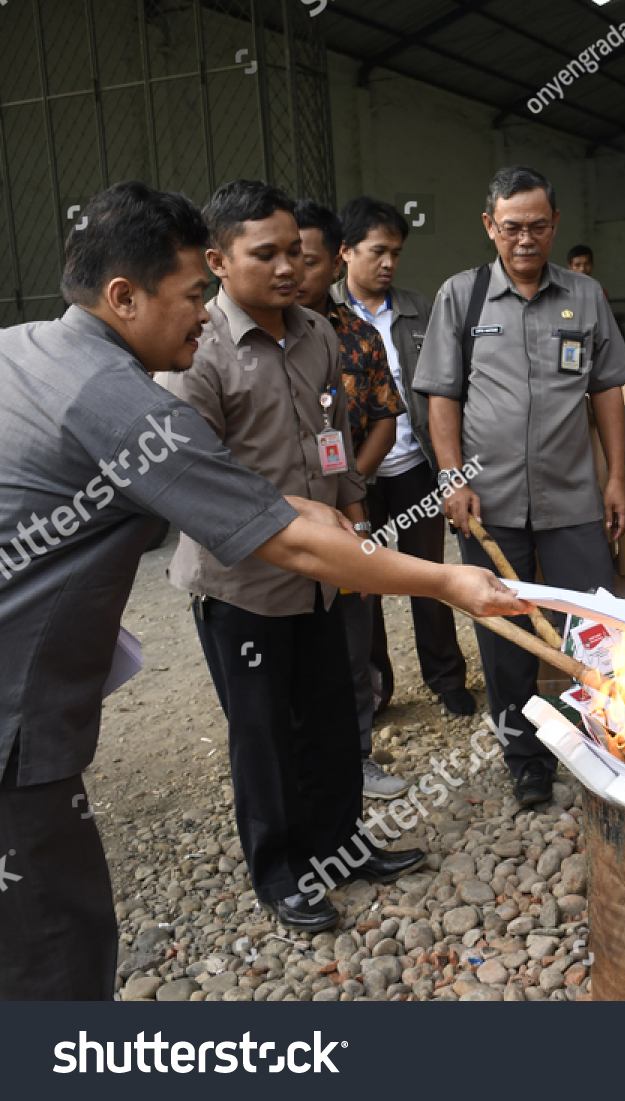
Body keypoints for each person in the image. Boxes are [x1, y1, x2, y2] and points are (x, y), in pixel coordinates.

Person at [0, 181, 527, 1000]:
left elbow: (288, 483)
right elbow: (272, 529)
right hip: (23, 723)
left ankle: (336, 842)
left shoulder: (26, 347)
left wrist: (357, 521)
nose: (202, 312)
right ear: (122, 297)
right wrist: (450, 581)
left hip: (279, 577)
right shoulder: (120, 399)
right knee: (56, 947)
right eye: (190, 294)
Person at [165, 180, 422, 934]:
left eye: (293, 252)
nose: (286, 267)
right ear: (218, 260)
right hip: (242, 582)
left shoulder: (316, 333)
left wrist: (352, 514)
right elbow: (194, 479)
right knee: (265, 733)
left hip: (323, 570)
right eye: (265, 254)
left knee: (333, 715)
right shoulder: (199, 350)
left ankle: (339, 844)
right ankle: (278, 871)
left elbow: (332, 435)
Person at [414, 165, 625, 809]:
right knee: (504, 635)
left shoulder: (585, 296)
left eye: (538, 226)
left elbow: (607, 390)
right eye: (512, 227)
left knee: (591, 627)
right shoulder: (462, 296)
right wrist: (452, 479)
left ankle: (605, 745)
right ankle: (525, 758)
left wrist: (615, 477)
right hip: (491, 503)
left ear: (555, 224)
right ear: (490, 226)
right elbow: (442, 398)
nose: (526, 239)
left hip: (573, 498)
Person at [332, 197, 475, 719]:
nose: (389, 262)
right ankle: (374, 690)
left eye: (396, 252)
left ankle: (446, 678)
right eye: (377, 251)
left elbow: (445, 389)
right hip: (355, 478)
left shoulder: (419, 309)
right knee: (363, 585)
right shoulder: (322, 315)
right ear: (344, 251)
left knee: (428, 577)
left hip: (415, 468)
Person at [294, 199, 410, 799]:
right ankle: (301, 767)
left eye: (304, 259)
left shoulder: (352, 337)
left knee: (351, 632)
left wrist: (350, 496)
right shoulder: (243, 340)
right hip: (280, 522)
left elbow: (383, 419)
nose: (293, 272)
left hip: (347, 505)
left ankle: (356, 753)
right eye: (282, 256)